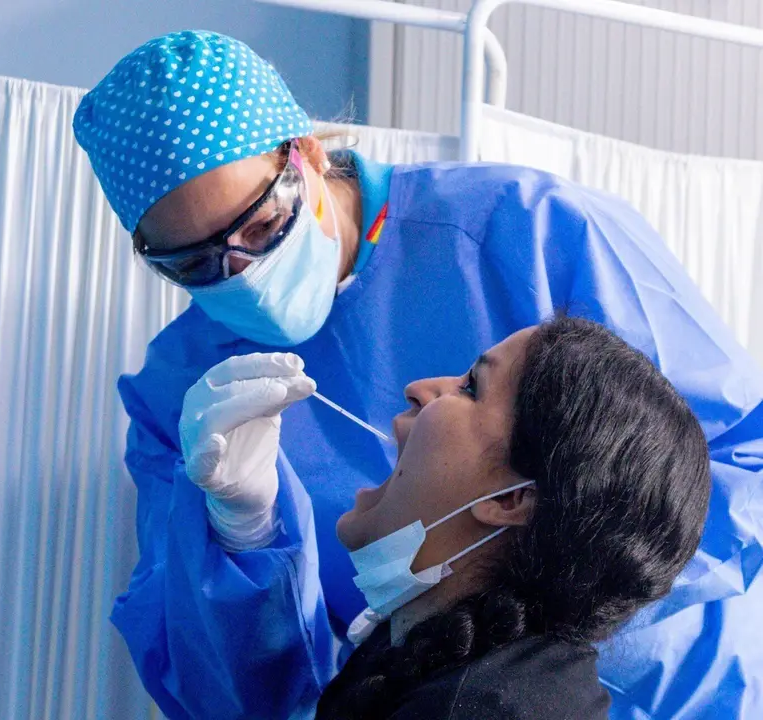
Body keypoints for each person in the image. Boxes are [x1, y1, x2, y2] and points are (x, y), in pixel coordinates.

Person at [72, 30, 763, 719]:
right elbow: (228, 693)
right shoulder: (187, 392)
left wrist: (548, 634)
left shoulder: (527, 229)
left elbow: (736, 456)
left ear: (306, 156)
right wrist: (244, 532)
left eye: (260, 225)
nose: (240, 274)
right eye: (192, 263)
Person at [315, 317, 711, 719]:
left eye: (470, 388)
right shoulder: (433, 649)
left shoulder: (477, 708)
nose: (417, 389)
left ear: (512, 500)